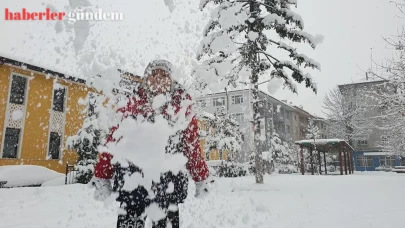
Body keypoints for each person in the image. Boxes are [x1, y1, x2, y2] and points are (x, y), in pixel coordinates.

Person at [89, 60, 212, 228]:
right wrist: (102, 174)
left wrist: (201, 176)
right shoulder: (132, 102)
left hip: (168, 185)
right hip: (132, 182)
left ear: (172, 80)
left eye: (164, 75)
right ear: (146, 79)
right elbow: (115, 139)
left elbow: (191, 146)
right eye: (154, 75)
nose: (158, 79)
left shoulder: (182, 105)